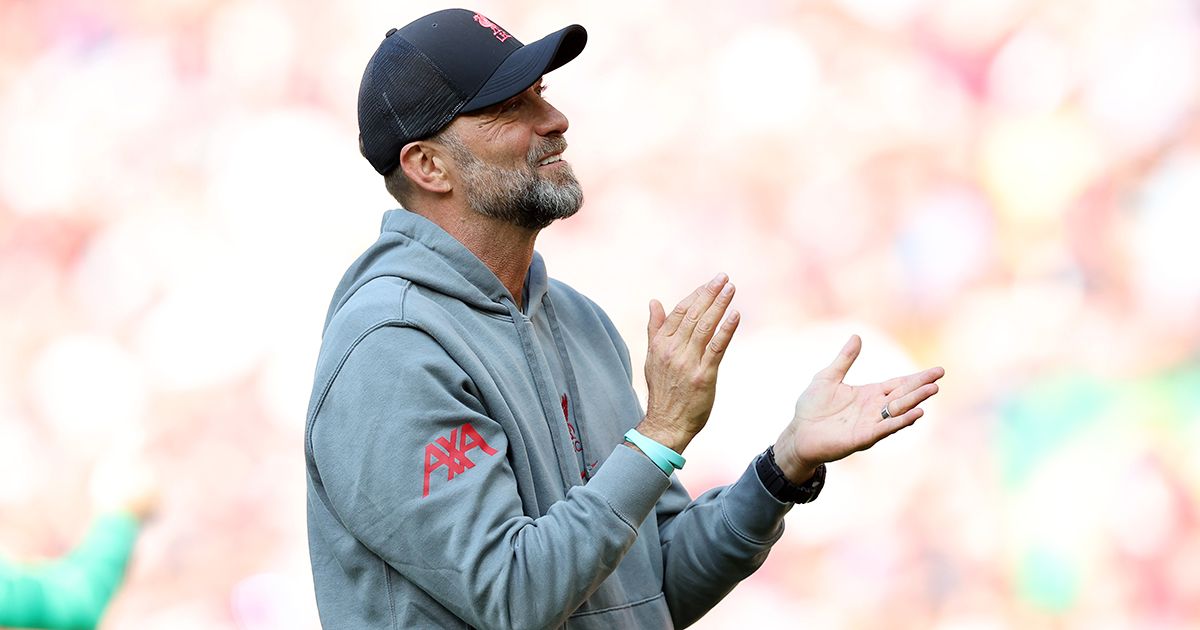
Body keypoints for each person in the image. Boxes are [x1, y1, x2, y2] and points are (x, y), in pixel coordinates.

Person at [304, 8, 945, 629]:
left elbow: (649, 588)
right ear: (428, 165)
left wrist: (781, 468)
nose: (554, 119)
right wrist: (660, 433)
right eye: (509, 108)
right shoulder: (389, 350)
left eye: (541, 92)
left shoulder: (577, 320)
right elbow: (513, 598)